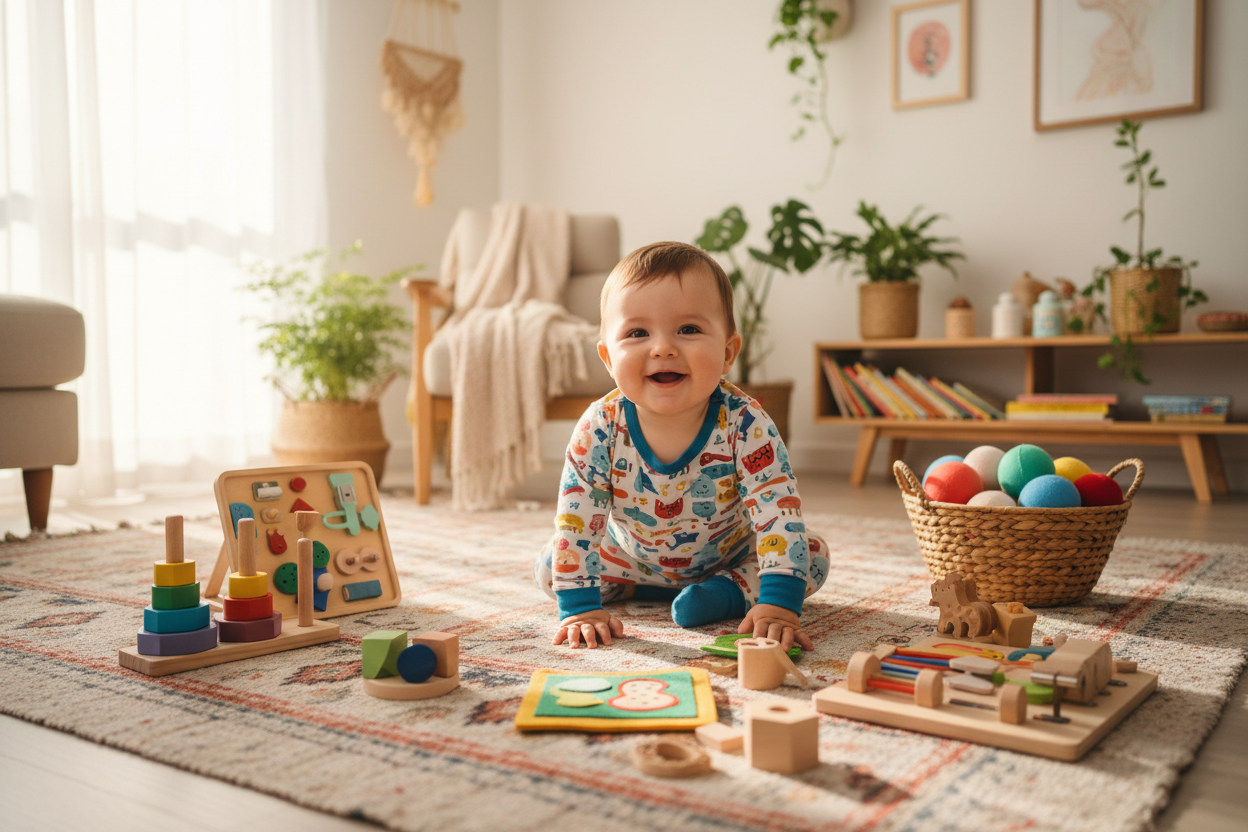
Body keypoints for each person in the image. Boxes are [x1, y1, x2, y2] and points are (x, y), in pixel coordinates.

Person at [533, 241, 829, 652]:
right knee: (552, 566)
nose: (663, 348)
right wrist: (579, 609)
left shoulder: (746, 423)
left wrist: (779, 606)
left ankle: (724, 593)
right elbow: (577, 520)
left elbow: (777, 511)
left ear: (727, 352)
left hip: (729, 556)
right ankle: (636, 586)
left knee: (811, 555)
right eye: (637, 333)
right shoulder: (600, 428)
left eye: (688, 329)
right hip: (628, 558)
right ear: (608, 358)